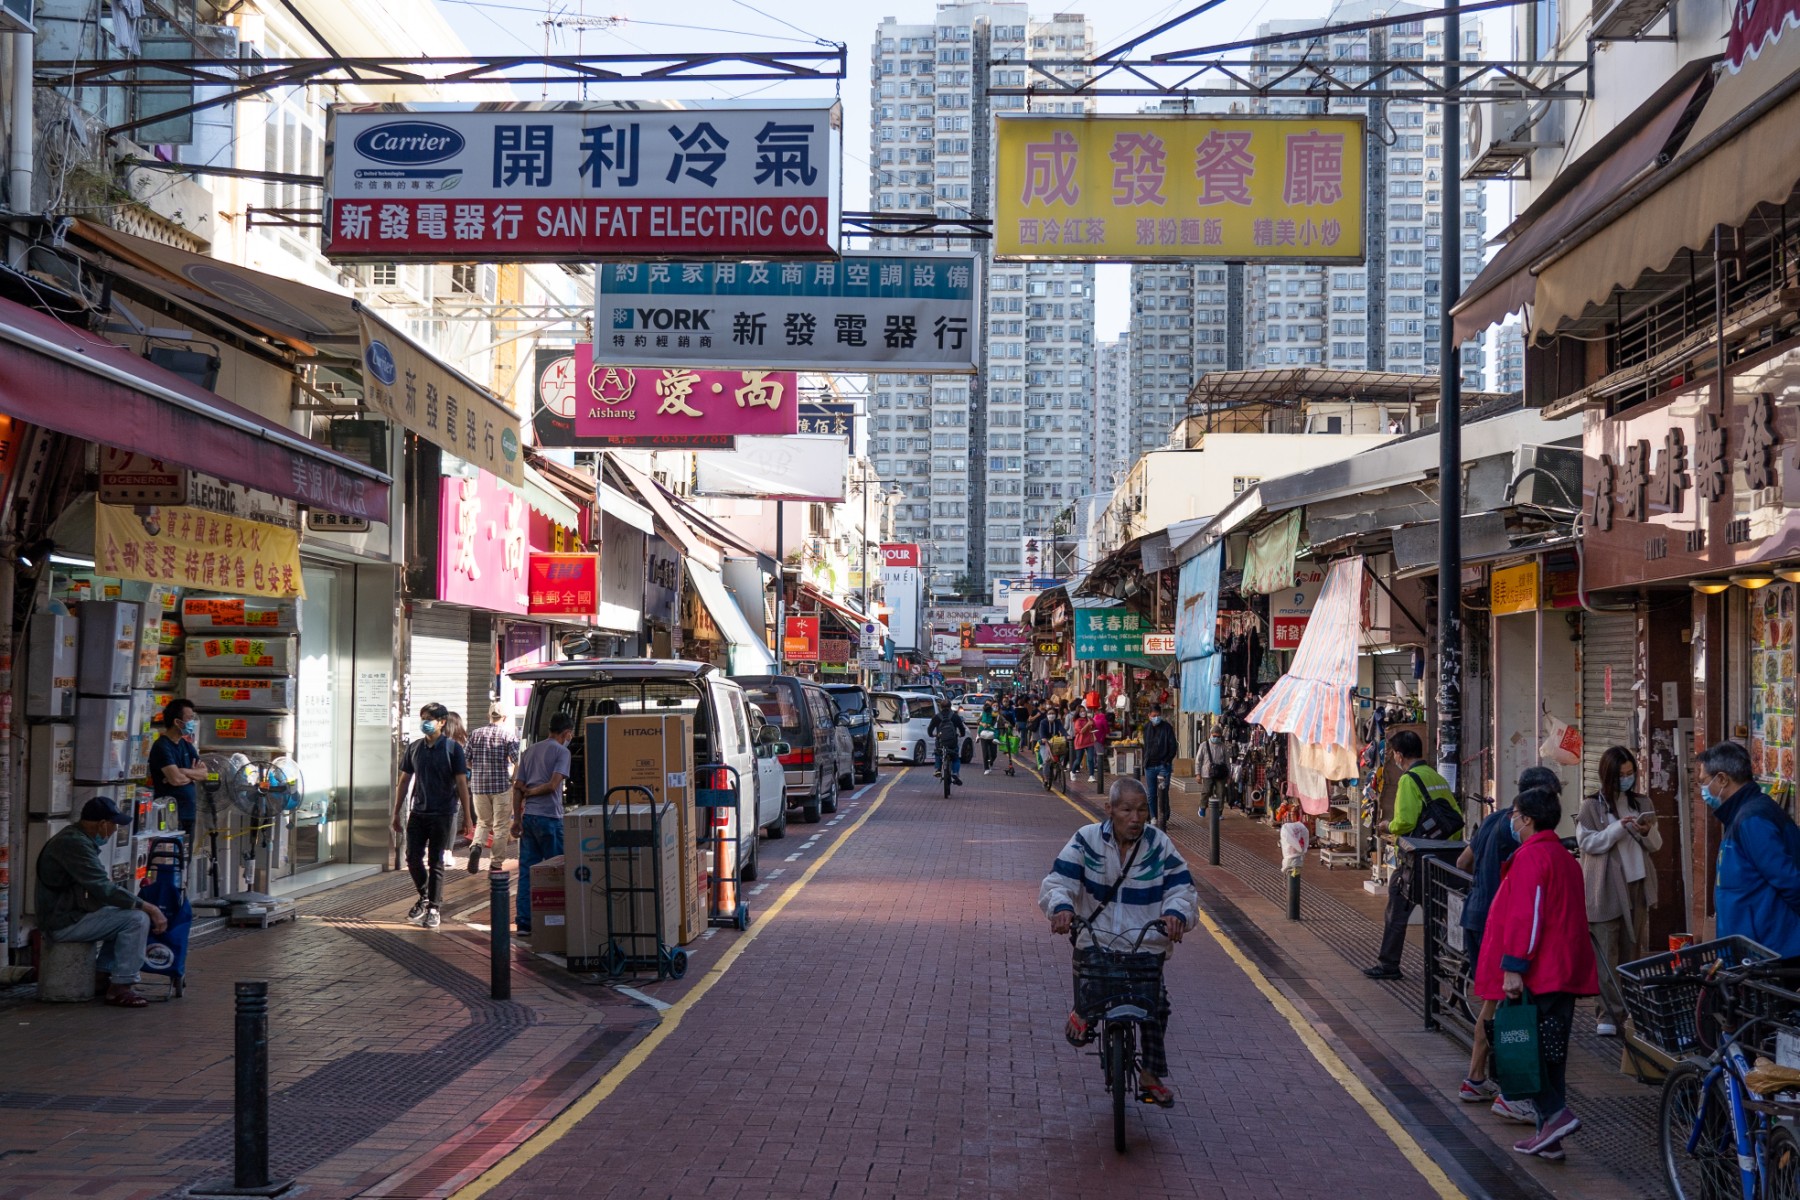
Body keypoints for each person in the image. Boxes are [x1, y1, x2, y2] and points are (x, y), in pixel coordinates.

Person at [1040, 777, 1198, 1107]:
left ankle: (1150, 1076)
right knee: (1091, 989)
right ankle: (1082, 1012)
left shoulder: (1159, 845)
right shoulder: (1086, 841)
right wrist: (1062, 908)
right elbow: (1059, 881)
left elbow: (1182, 889)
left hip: (1145, 947)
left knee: (1157, 1005)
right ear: (1110, 809)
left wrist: (1176, 915)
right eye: (1127, 809)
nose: (1136, 818)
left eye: (1142, 810)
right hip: (1096, 943)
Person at [1474, 785, 1598, 1159]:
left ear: (1526, 819)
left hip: (1539, 973)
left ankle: (1555, 1117)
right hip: (1562, 970)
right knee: (1551, 1053)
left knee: (1524, 1050)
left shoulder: (1533, 858)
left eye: (1514, 814)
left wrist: (1514, 967)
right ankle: (1550, 1135)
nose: (1511, 819)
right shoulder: (1563, 857)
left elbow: (1527, 916)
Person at [1458, 766, 1561, 1125]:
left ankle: (1476, 1078)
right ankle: (1507, 1090)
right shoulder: (1523, 839)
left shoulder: (1492, 820)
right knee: (1503, 1005)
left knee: (1494, 1002)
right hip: (1498, 925)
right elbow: (1526, 906)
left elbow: (1462, 861)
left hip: (1475, 914)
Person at [35, 795, 169, 1007]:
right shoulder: (73, 844)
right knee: (137, 919)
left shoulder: (76, 840)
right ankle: (121, 987)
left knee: (122, 913)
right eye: (114, 825)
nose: (115, 830)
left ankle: (102, 975)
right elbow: (103, 888)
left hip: (72, 914)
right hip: (62, 921)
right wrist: (150, 908)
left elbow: (102, 890)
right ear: (103, 824)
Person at [1364, 729, 1461, 981]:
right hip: (1443, 856)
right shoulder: (1434, 775)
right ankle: (1443, 963)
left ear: (1398, 755)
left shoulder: (1409, 779)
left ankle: (1389, 965)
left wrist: (1387, 826)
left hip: (1416, 858)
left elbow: (1405, 822)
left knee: (1396, 910)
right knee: (1438, 911)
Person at [1578, 746, 1661, 1037]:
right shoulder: (1592, 805)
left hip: (1636, 883)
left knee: (1631, 950)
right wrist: (1617, 829)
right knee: (1605, 952)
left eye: (1630, 773)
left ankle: (1629, 1011)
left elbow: (1657, 844)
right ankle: (1608, 1013)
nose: (1627, 779)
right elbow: (1588, 843)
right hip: (1604, 888)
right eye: (1621, 775)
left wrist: (1644, 831)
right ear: (1608, 775)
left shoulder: (1641, 802)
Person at [1703, 740, 1800, 955]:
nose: (1703, 790)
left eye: (1704, 781)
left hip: (1768, 951)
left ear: (1722, 779)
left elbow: (1789, 880)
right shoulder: (1741, 815)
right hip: (1752, 949)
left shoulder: (1752, 819)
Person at [391, 703, 474, 930]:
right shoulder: (415, 748)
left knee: (436, 861)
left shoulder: (453, 749)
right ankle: (426, 895)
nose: (424, 722)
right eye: (422, 717)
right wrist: (396, 811)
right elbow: (404, 781)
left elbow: (461, 783)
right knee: (412, 857)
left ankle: (434, 908)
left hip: (444, 813)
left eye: (429, 718)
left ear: (441, 722)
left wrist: (467, 816)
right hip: (418, 812)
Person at [511, 713, 575, 934]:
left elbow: (517, 787)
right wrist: (533, 791)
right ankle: (556, 920)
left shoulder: (529, 751)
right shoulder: (562, 752)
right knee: (556, 870)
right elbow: (552, 785)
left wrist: (516, 819)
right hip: (550, 819)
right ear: (567, 733)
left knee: (528, 870)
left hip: (529, 819)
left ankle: (524, 923)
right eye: (570, 735)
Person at [147, 699, 207, 854]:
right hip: (170, 815)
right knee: (171, 859)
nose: (192, 722)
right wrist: (190, 775)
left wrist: (184, 771)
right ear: (177, 722)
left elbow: (204, 773)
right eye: (189, 719)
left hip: (189, 814)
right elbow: (175, 779)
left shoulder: (186, 745)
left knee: (185, 860)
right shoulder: (162, 746)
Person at [465, 706, 520, 874]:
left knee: (483, 822)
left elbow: (466, 759)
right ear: (505, 717)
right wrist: (513, 779)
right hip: (501, 787)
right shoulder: (508, 736)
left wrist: (477, 770)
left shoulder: (475, 734)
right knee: (501, 826)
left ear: (489, 715)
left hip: (479, 786)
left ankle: (476, 847)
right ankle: (495, 863)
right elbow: (518, 761)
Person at [1142, 705, 1178, 829]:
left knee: (1163, 792)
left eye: (1158, 715)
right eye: (1153, 716)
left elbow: (1173, 746)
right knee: (1151, 794)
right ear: (1149, 716)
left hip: (1163, 765)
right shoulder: (1146, 728)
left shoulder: (1167, 728)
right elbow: (1146, 746)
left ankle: (1164, 817)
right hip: (1149, 766)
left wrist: (1167, 761)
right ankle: (1153, 817)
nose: (1156, 718)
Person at [928, 699, 966, 786]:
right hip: (952, 742)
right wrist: (961, 734)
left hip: (940, 741)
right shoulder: (955, 717)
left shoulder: (937, 717)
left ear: (941, 707)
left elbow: (929, 729)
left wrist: (932, 734)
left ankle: (937, 769)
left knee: (938, 752)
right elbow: (961, 728)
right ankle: (955, 772)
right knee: (955, 757)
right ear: (950, 707)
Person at [1196, 725, 1232, 815]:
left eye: (1218, 736)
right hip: (1207, 773)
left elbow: (1227, 762)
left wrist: (1229, 775)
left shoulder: (1223, 747)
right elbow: (1198, 760)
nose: (1216, 738)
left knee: (1221, 792)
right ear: (1210, 735)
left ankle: (1219, 812)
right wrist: (1198, 774)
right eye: (1214, 736)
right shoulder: (1204, 745)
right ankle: (1202, 808)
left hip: (1220, 773)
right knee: (1206, 791)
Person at [1072, 709, 1098, 782]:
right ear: (1078, 713)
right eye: (1081, 711)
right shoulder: (1077, 721)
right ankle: (1073, 771)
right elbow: (1081, 731)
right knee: (1078, 760)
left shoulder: (1089, 719)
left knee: (1090, 759)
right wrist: (1088, 724)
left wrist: (1093, 726)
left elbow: (1094, 726)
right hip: (1080, 742)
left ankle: (1091, 776)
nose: (1083, 712)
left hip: (1089, 741)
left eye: (1084, 711)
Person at [978, 702, 1000, 775]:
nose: (995, 707)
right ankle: (986, 768)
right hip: (984, 734)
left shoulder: (997, 714)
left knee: (994, 753)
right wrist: (982, 724)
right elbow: (978, 721)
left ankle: (990, 762)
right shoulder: (984, 713)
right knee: (985, 752)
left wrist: (1007, 724)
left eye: (997, 706)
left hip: (992, 735)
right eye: (994, 705)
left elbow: (1004, 721)